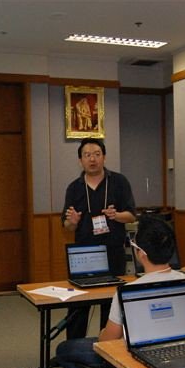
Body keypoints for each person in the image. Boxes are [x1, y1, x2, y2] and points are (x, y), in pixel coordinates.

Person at [55, 215, 185, 368]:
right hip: (176, 354)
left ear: (141, 254)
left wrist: (102, 333)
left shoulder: (128, 291)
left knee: (64, 350)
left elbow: (107, 342)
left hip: (136, 359)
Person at [62, 138, 136, 339]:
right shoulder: (74, 188)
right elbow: (67, 226)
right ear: (80, 160)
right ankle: (73, 347)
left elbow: (131, 215)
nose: (92, 159)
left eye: (96, 154)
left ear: (104, 157)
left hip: (113, 251)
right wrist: (73, 221)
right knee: (78, 306)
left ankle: (108, 348)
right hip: (83, 255)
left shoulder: (119, 182)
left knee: (111, 306)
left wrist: (116, 216)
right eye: (87, 155)